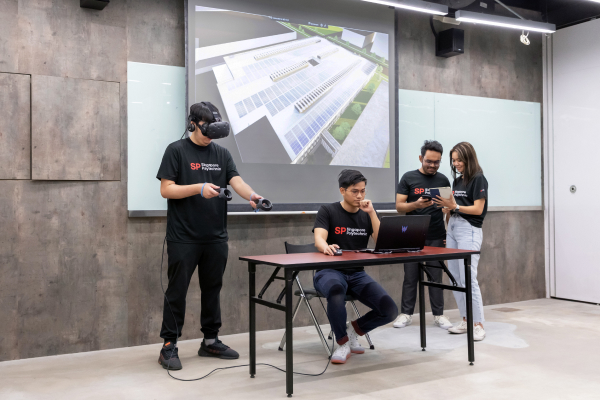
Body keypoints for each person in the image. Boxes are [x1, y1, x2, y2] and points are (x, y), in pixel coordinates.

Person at [156, 102, 265, 370]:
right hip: (183, 236)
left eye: (215, 131)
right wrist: (198, 187)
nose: (210, 136)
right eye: (207, 130)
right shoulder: (176, 150)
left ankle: (210, 340)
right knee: (177, 291)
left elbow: (235, 181)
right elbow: (166, 190)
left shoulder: (222, 153)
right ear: (192, 124)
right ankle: (169, 345)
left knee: (212, 289)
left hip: (215, 236)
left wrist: (252, 195)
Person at [313, 169, 399, 364]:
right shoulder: (328, 210)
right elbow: (319, 239)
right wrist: (326, 247)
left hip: (357, 274)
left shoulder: (367, 214)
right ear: (342, 191)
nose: (360, 195)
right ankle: (342, 342)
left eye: (362, 191)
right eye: (354, 191)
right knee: (336, 291)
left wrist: (372, 214)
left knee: (389, 310)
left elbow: (380, 242)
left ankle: (353, 330)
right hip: (329, 272)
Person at [394, 140, 453, 330]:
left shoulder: (443, 180)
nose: (433, 165)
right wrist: (416, 205)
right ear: (421, 158)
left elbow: (448, 207)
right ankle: (406, 314)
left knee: (436, 277)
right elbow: (399, 207)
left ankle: (439, 315)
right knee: (410, 276)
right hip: (411, 234)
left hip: (436, 234)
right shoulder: (408, 178)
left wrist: (448, 230)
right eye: (429, 161)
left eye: (437, 162)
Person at [433, 141, 488, 341]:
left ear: (468, 158)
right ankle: (466, 320)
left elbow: (478, 209)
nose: (455, 164)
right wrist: (447, 209)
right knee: (455, 277)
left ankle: (478, 324)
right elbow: (454, 207)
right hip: (454, 228)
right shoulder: (457, 182)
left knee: (468, 277)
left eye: (459, 160)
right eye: (453, 160)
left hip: (469, 229)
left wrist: (454, 207)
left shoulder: (479, 179)